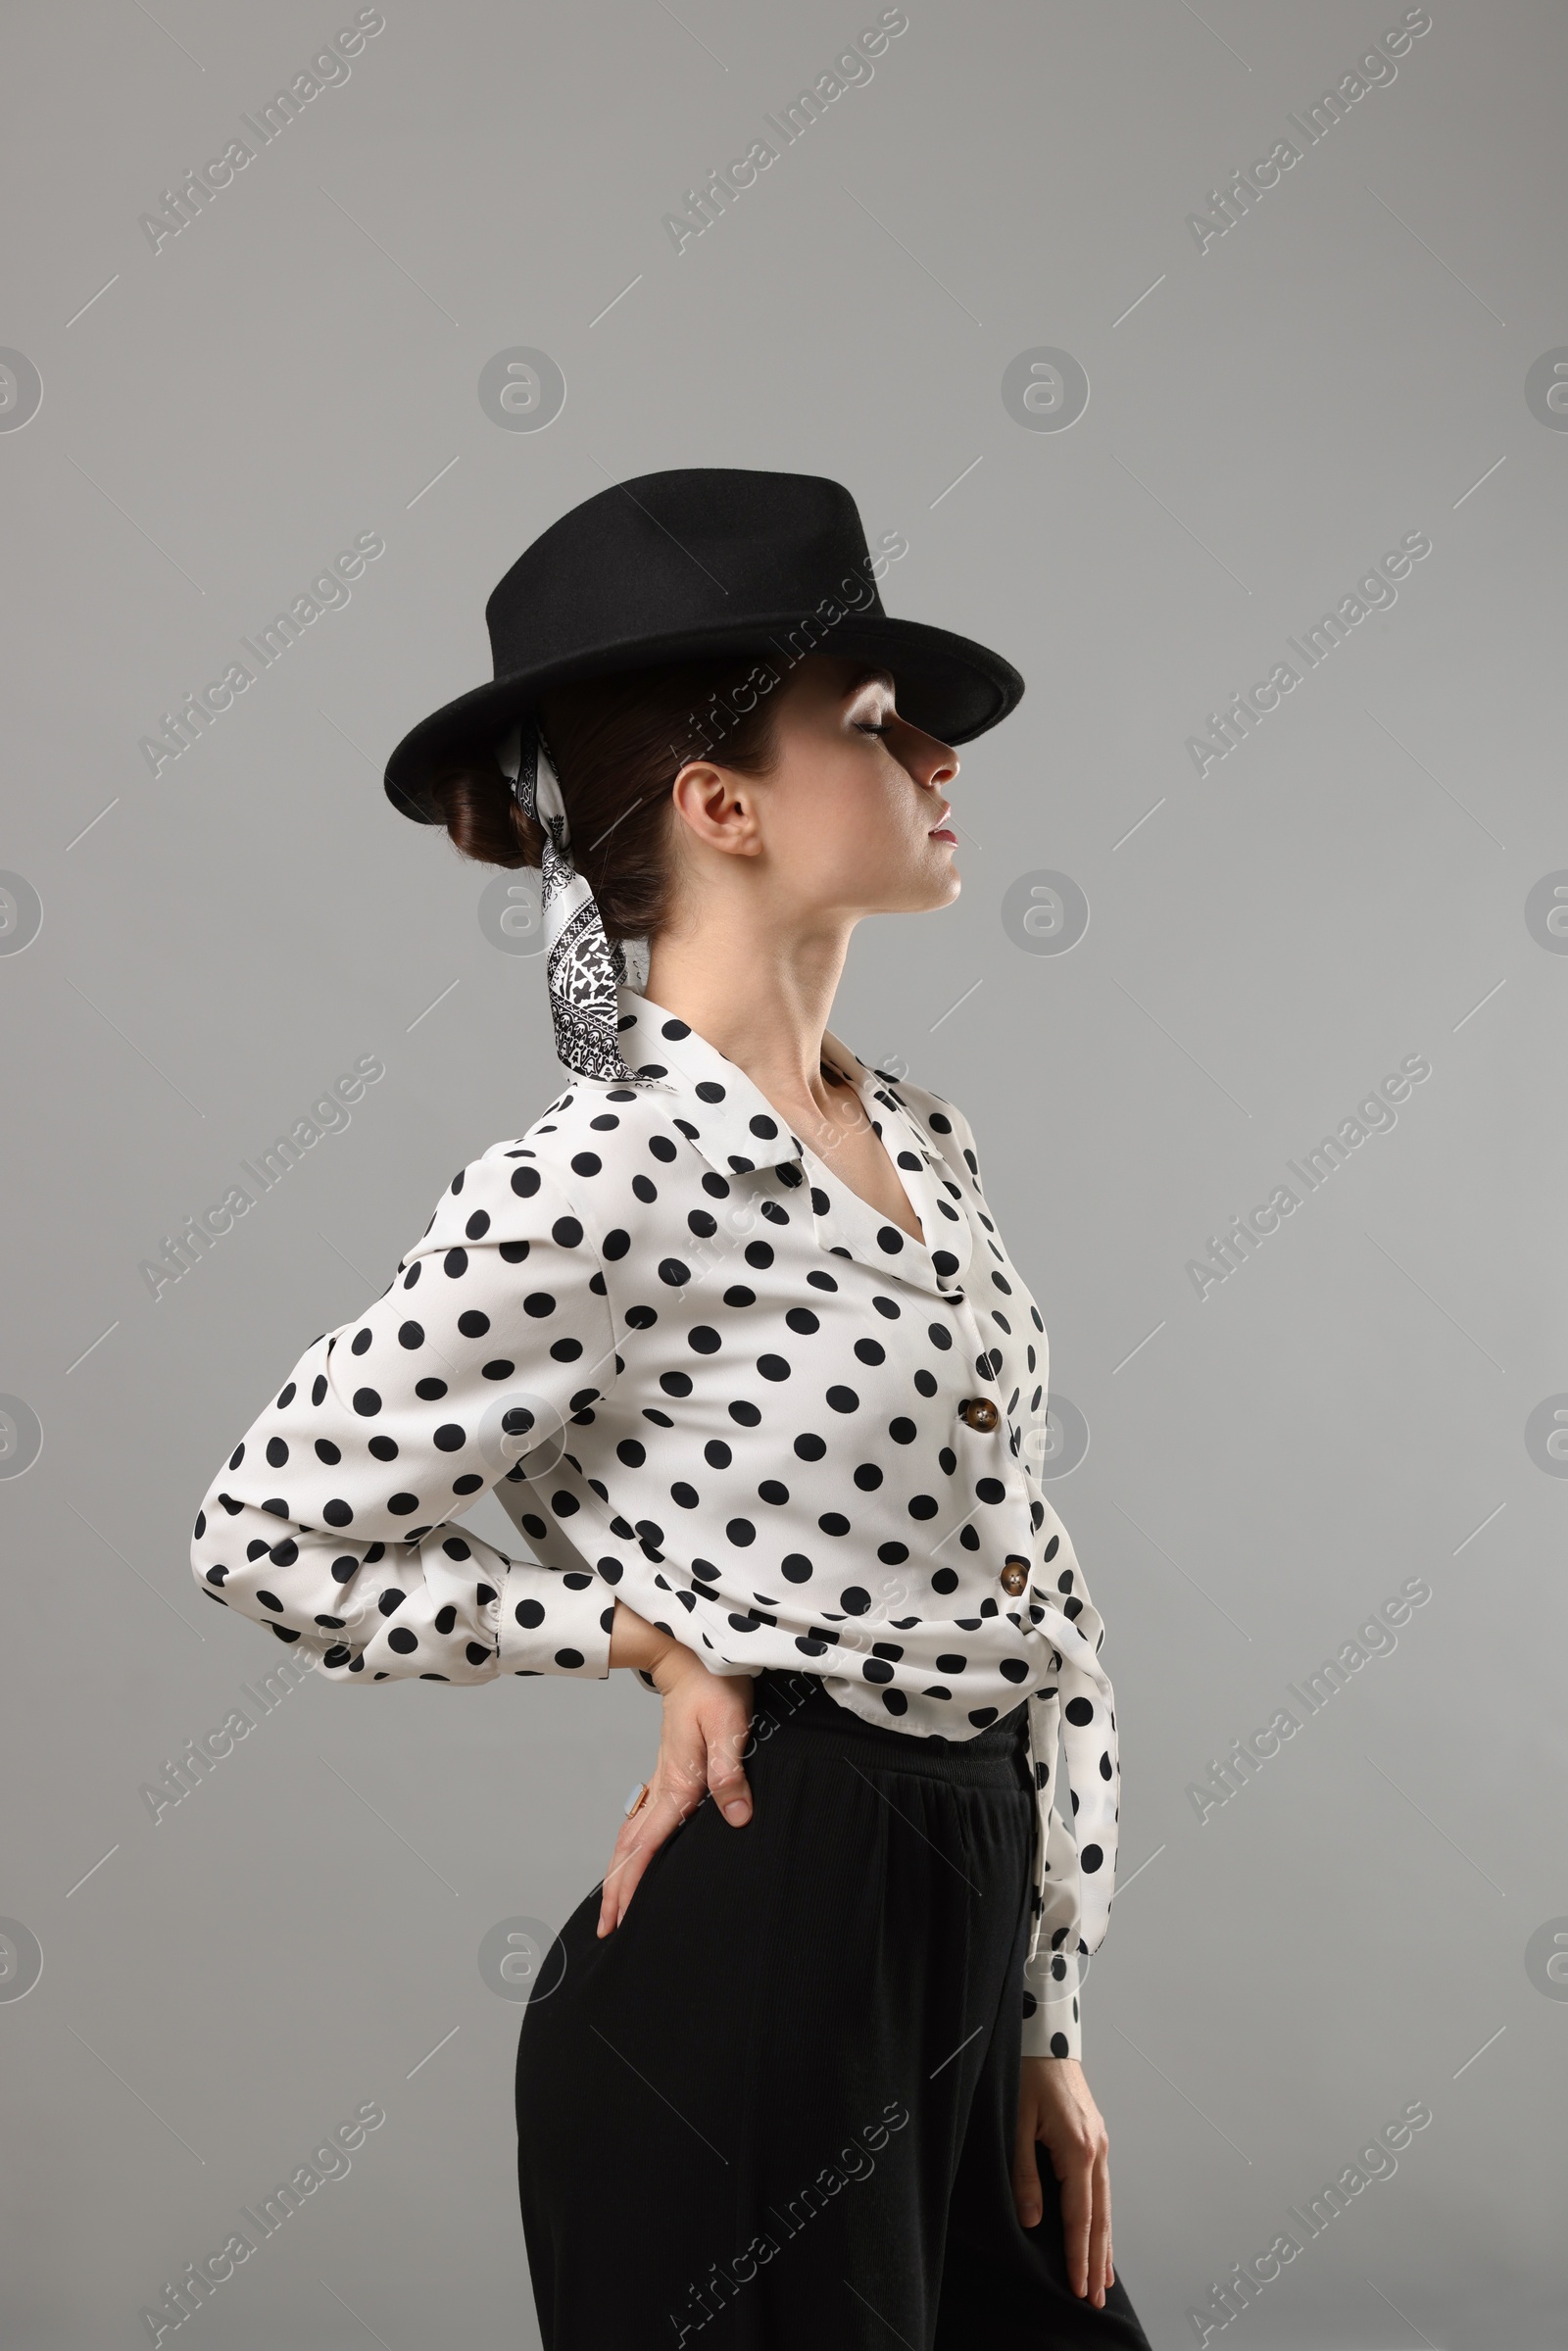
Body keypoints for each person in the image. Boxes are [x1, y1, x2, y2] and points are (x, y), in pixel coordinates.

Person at [190, 468, 1151, 2349]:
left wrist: (1042, 2020)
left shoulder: (924, 1148)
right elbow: (262, 1533)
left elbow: (1032, 1599)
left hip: (954, 1956)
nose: (945, 750)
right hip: (759, 1980)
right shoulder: (602, 1179)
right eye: (878, 721)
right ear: (720, 805)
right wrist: (638, 1636)